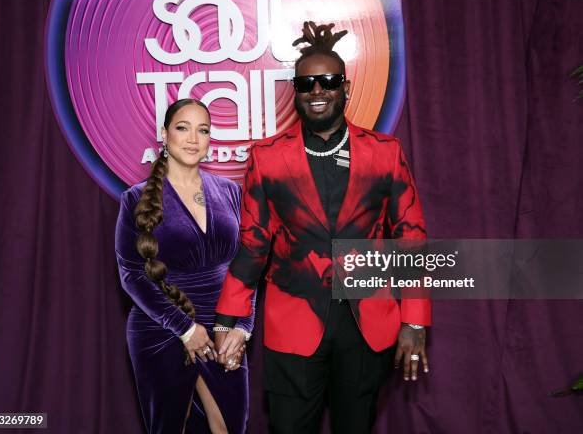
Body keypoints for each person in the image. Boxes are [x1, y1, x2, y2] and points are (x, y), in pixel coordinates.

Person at [214, 22, 431, 433]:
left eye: (328, 81)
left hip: (367, 325)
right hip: (293, 323)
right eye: (306, 83)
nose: (317, 91)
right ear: (295, 90)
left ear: (345, 87)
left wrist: (414, 320)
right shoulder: (268, 158)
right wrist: (228, 319)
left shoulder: (385, 153)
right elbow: (253, 244)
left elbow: (411, 238)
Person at [115, 98, 253, 434]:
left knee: (231, 427)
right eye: (182, 127)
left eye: (202, 130)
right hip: (160, 328)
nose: (193, 138)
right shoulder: (135, 199)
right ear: (164, 134)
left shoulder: (231, 192)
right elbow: (131, 275)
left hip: (223, 329)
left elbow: (249, 264)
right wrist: (185, 328)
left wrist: (242, 326)